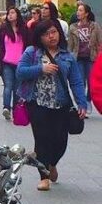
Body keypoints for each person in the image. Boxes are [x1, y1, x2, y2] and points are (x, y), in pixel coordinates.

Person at [16, 19, 88, 191]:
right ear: (40, 37)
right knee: (41, 140)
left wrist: (81, 103)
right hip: (37, 103)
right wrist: (40, 69)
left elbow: (76, 81)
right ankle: (44, 176)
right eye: (47, 34)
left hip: (60, 105)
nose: (51, 36)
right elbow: (20, 72)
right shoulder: (32, 52)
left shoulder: (67, 56)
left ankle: (52, 163)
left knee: (60, 141)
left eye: (54, 32)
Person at [0, 7, 29, 121]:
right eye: (9, 13)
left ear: (17, 15)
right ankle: (6, 107)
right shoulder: (3, 29)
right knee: (8, 86)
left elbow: (29, 43)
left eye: (12, 13)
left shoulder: (24, 29)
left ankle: (16, 110)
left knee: (17, 88)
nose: (10, 15)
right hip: (7, 62)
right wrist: (0, 54)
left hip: (20, 63)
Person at [71, 2, 102, 108]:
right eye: (77, 10)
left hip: (91, 58)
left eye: (80, 10)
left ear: (86, 13)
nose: (78, 12)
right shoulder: (73, 27)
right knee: (80, 82)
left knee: (91, 82)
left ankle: (88, 99)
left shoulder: (94, 26)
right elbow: (71, 46)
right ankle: (82, 103)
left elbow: (99, 42)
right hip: (78, 58)